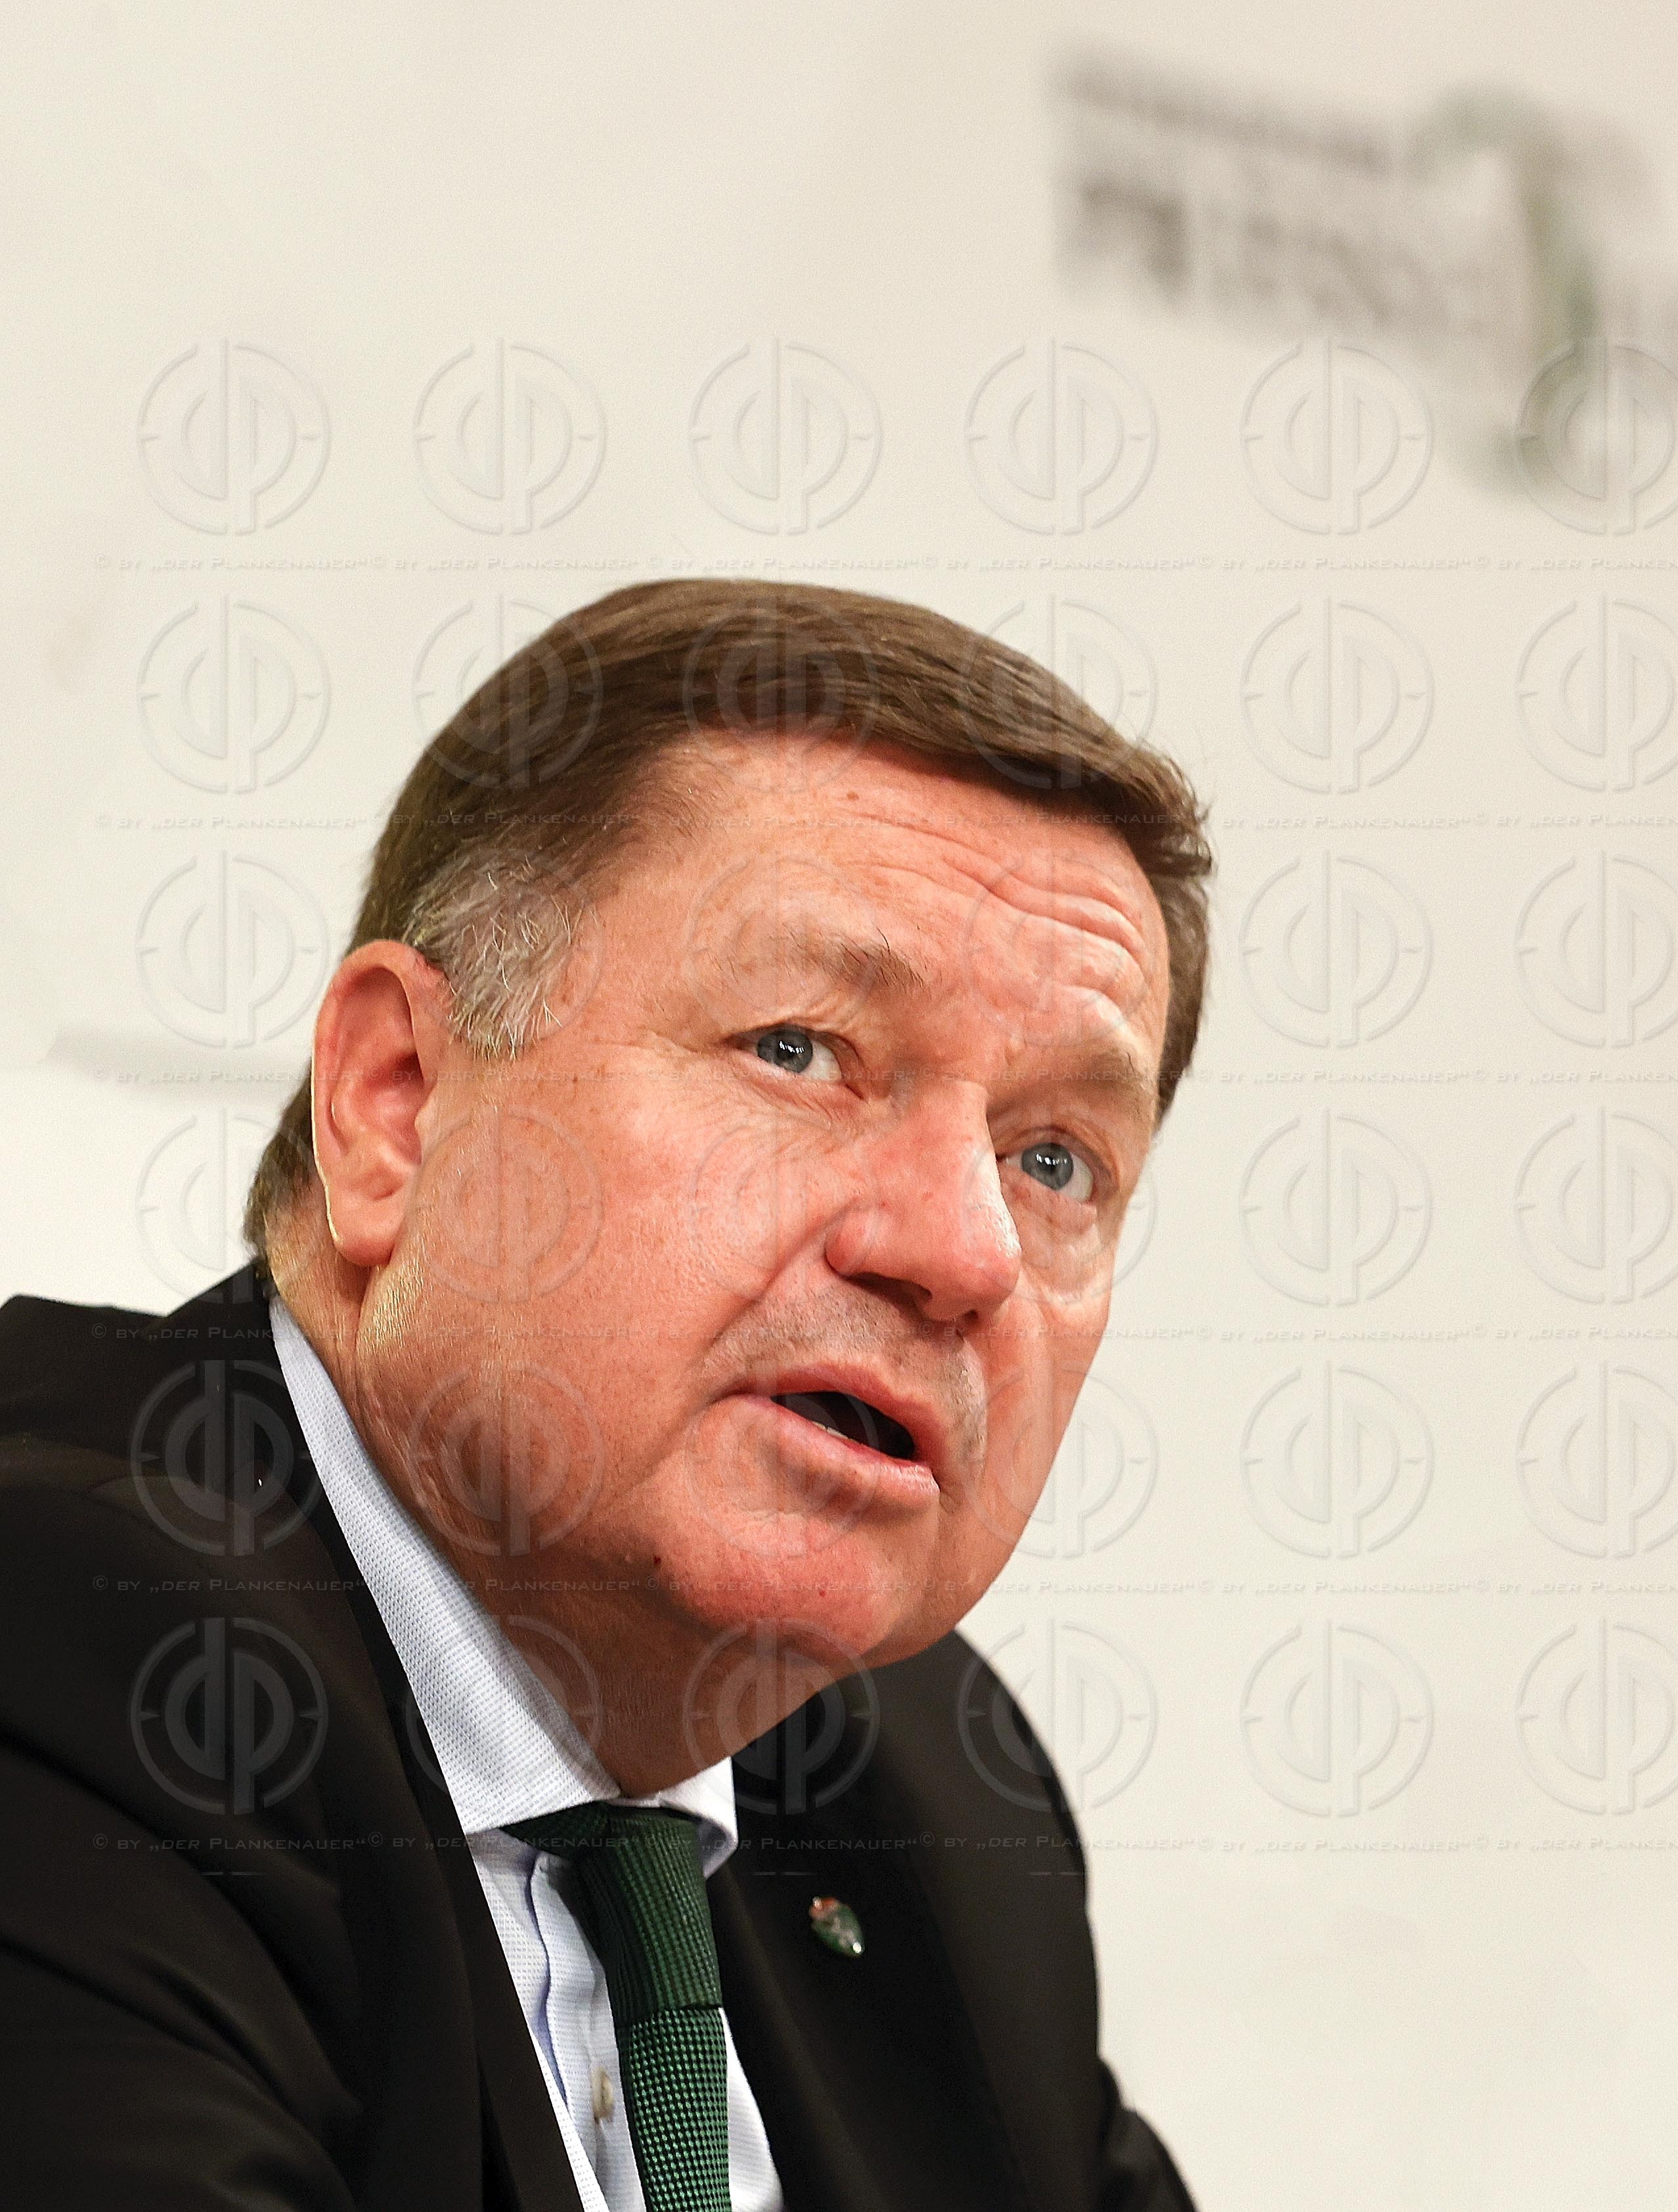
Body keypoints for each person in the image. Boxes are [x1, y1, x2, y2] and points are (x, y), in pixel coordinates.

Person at [0, 579, 1212, 2211]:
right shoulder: (61, 1646)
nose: (959, 1250)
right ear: (398, 1104)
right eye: (799, 1050)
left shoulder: (930, 1803)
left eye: (1053, 1159)